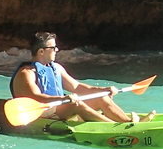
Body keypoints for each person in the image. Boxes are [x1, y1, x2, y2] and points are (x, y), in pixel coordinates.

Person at [10, 32, 154, 123]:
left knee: (101, 97)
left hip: (59, 107)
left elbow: (77, 87)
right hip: (41, 113)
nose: (57, 50)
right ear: (41, 51)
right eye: (53, 48)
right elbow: (36, 97)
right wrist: (64, 99)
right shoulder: (27, 73)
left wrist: (103, 89)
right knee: (76, 104)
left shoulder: (56, 68)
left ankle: (128, 122)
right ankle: (116, 128)